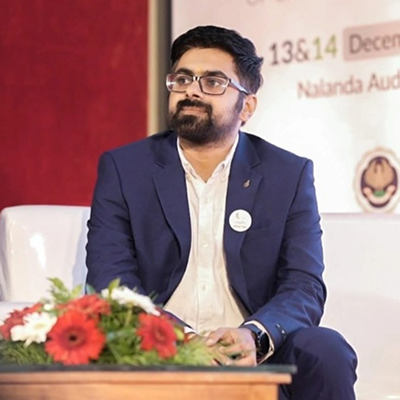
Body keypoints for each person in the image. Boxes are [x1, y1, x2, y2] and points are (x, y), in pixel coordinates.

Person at [86, 25, 357, 399]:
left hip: (254, 362)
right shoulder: (125, 168)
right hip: (158, 355)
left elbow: (304, 284)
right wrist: (184, 341)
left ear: (247, 106)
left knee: (326, 349)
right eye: (183, 79)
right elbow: (111, 280)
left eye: (213, 82)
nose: (192, 91)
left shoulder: (287, 174)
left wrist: (253, 336)